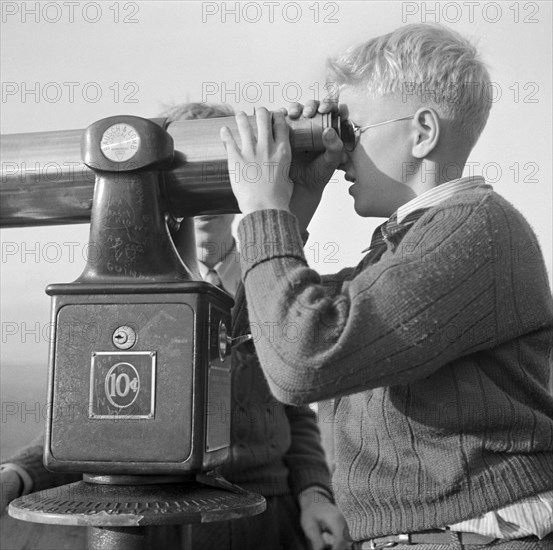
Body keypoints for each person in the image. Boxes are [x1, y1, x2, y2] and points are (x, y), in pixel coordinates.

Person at [219, 24, 553, 549]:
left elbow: (302, 360)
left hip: (470, 535)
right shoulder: (413, 241)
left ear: (422, 132)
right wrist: (294, 205)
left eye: (350, 130)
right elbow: (251, 339)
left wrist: (265, 210)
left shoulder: (476, 227)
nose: (340, 151)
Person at [1, 103, 348, 550]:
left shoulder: (269, 281)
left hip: (266, 515)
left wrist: (314, 493)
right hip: (160, 515)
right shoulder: (135, 305)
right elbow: (101, 419)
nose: (201, 215)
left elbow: (293, 408)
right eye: (187, 200)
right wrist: (19, 470)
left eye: (214, 197)